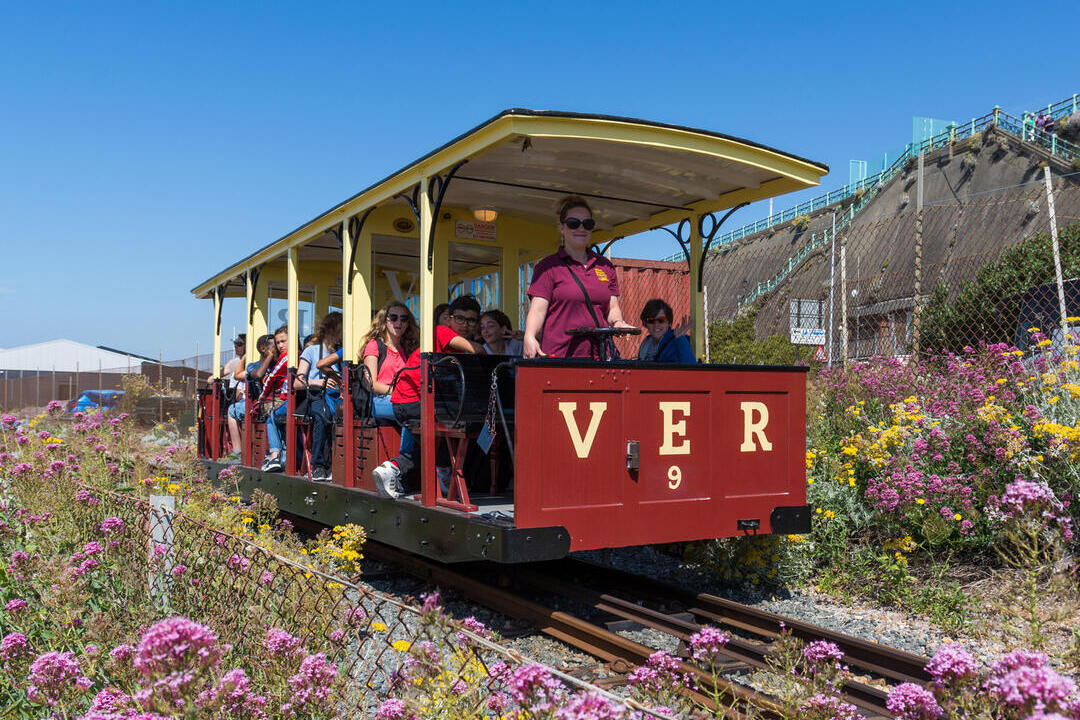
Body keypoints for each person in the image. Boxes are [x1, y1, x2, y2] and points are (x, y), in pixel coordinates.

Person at [373, 295, 479, 497]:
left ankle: (391, 469)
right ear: (448, 319)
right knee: (447, 434)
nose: (465, 325)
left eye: (471, 320)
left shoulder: (451, 343)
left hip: (408, 401)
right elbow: (477, 349)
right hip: (413, 400)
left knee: (430, 443)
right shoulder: (442, 331)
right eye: (460, 319)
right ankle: (444, 479)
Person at [523, 196, 634, 359]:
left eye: (587, 224)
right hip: (561, 357)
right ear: (561, 227)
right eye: (573, 223)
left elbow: (612, 307)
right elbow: (538, 310)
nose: (581, 228)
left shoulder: (605, 266)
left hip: (600, 357)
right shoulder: (548, 266)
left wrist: (618, 323)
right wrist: (529, 336)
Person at [296, 312, 343, 481]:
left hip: (338, 396)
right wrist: (318, 382)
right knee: (321, 416)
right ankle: (319, 465)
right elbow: (297, 382)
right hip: (317, 396)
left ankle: (338, 464)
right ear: (335, 329)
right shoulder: (311, 350)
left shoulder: (340, 354)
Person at [224, 334, 273, 461]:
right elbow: (241, 375)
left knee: (231, 410)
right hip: (260, 403)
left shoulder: (274, 364)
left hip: (264, 403)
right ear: (263, 349)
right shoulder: (254, 366)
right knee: (233, 409)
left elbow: (239, 374)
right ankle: (238, 451)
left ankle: (237, 450)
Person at [258, 326, 290, 473]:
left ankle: (275, 455)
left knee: (271, 417)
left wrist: (263, 394)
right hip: (291, 400)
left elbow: (271, 378)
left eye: (283, 341)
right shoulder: (298, 354)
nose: (280, 346)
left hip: (288, 401)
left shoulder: (286, 357)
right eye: (278, 343)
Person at [636, 299, 695, 363]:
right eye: (651, 320)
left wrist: (681, 339)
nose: (656, 325)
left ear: (669, 322)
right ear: (645, 323)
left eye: (661, 320)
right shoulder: (646, 344)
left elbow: (691, 366)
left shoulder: (677, 341)